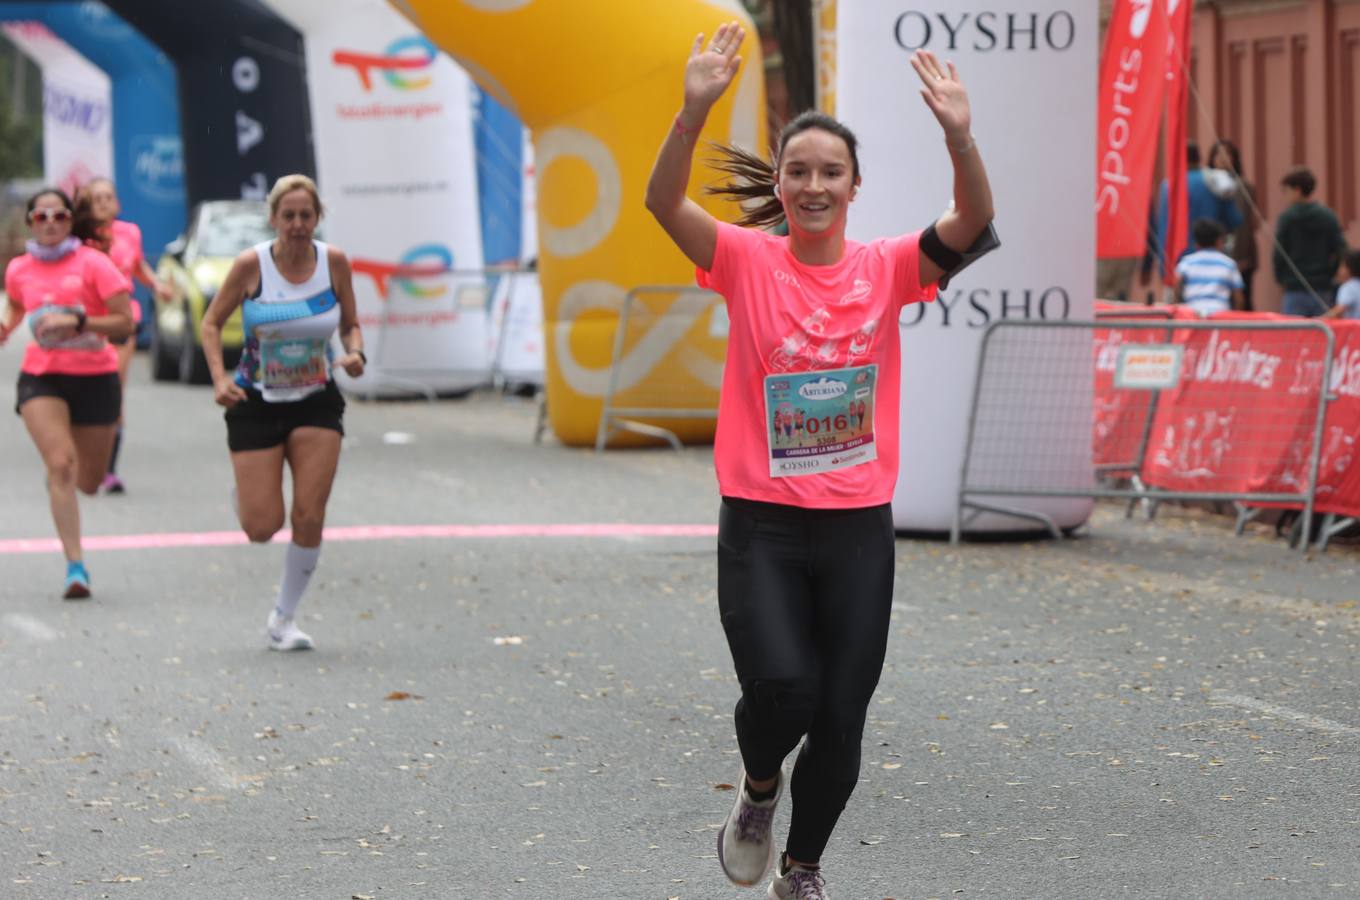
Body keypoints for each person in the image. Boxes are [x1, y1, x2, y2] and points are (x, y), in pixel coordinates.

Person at [645, 22, 992, 899]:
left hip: (854, 530)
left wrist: (959, 135)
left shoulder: (888, 269)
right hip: (760, 523)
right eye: (797, 170)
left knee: (840, 718)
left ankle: (802, 868)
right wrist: (691, 114)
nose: (812, 185)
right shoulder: (745, 260)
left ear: (853, 186)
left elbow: (975, 220)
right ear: (781, 183)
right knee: (784, 692)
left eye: (829, 172)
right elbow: (663, 204)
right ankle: (759, 791)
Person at [199, 174, 365, 651]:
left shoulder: (333, 263)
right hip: (255, 401)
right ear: (273, 219)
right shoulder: (251, 266)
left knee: (310, 515)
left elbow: (351, 324)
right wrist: (219, 379)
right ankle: (250, 495)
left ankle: (284, 618)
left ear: (318, 219)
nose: (297, 224)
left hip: (316, 399)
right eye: (288, 216)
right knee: (261, 527)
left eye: (306, 216)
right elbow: (212, 324)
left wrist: (355, 353)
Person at [0, 188, 134, 598]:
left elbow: (124, 324)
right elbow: (19, 306)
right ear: (31, 223)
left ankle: (66, 480)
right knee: (60, 464)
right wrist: (5, 328)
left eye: (59, 215)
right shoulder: (19, 269)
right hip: (43, 377)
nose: (51, 222)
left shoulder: (94, 264)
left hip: (96, 377)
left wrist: (78, 321)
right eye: (42, 216)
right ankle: (75, 567)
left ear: (70, 220)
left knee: (89, 481)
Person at [75, 177, 175, 494]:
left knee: (113, 389)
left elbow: (137, 265)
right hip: (85, 323)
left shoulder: (129, 232)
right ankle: (72, 459)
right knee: (77, 389)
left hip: (121, 322)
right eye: (97, 198)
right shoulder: (78, 239)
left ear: (117, 202)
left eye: (108, 197)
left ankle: (109, 470)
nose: (104, 202)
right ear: (88, 207)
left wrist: (156, 285)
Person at [1145, 142, 1243, 286]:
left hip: (1179, 263)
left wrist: (1163, 268)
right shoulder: (1215, 181)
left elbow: (1164, 228)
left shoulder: (1168, 186)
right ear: (1199, 158)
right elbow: (1235, 220)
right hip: (1214, 260)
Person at [1273, 166, 1347, 317]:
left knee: (1294, 335)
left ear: (1297, 190)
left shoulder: (1287, 218)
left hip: (1294, 287)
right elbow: (1341, 248)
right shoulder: (1328, 216)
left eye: (1286, 191)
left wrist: (1281, 278)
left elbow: (1279, 253)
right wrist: (1331, 272)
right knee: (1324, 335)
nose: (1285, 197)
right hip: (1323, 286)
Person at [1205, 139, 1259, 311]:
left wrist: (1242, 257)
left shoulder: (1243, 187)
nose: (1222, 159)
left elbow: (1246, 225)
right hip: (1211, 253)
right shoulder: (1205, 185)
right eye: (1218, 154)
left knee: (1241, 301)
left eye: (1227, 154)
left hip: (1238, 253)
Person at [1174, 219, 1244, 317]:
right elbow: (1238, 298)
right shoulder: (1229, 264)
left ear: (1196, 243)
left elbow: (1177, 287)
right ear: (1219, 241)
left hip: (1193, 315)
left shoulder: (1187, 262)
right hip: (1221, 316)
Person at [1323, 249, 1360, 321]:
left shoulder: (1348, 287)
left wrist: (1318, 320)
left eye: (1342, 266)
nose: (1339, 270)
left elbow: (1339, 310)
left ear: (1349, 269)